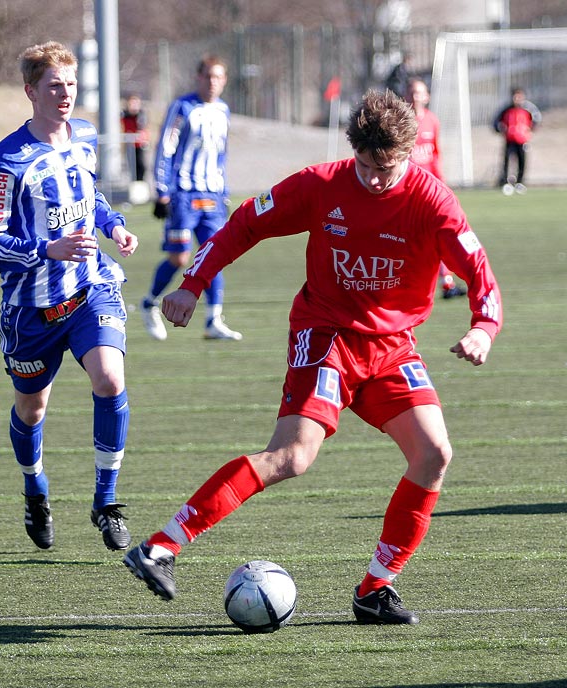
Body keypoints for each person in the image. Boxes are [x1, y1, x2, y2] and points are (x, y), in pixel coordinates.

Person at [123, 89, 503, 625]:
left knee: (434, 454)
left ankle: (375, 589)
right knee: (292, 458)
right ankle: (161, 546)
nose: (375, 178)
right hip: (325, 337)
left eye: (387, 167)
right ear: (355, 152)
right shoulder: (322, 185)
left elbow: (478, 269)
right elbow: (245, 222)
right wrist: (193, 283)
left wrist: (484, 328)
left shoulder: (431, 200)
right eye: (367, 165)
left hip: (392, 348)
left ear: (409, 154)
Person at [0, 41, 139, 553]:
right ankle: (35, 489)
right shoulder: (6, 162)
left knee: (110, 379)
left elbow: (91, 195)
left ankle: (106, 503)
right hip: (31, 311)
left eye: (69, 84)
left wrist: (114, 227)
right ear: (31, 91)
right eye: (53, 85)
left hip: (91, 289)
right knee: (31, 409)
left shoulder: (84, 136)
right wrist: (48, 248)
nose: (64, 93)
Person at [139, 54, 242, 341]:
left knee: (215, 254)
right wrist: (162, 191)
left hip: (212, 195)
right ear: (198, 78)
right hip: (183, 193)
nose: (212, 82)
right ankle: (149, 303)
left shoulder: (223, 110)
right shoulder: (182, 108)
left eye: (218, 77)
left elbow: (222, 155)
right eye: (208, 76)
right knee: (180, 257)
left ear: (224, 81)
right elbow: (165, 149)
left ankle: (213, 320)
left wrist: (224, 191)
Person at [406, 77, 465, 300]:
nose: (415, 97)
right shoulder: (401, 122)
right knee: (410, 238)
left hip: (430, 189)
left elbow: (435, 154)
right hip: (408, 190)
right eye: (412, 92)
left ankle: (446, 282)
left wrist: (441, 184)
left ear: (427, 96)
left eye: (419, 92)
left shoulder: (432, 120)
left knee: (438, 234)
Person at [493, 87, 541, 195]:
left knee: (522, 161)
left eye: (519, 96)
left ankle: (520, 182)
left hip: (522, 140)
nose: (517, 98)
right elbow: (495, 122)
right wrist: (500, 128)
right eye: (515, 96)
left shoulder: (527, 109)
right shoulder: (506, 110)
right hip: (509, 140)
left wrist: (530, 130)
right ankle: (506, 182)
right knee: (507, 161)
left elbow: (537, 120)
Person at [121, 94, 149, 182]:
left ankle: (140, 181)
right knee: (131, 165)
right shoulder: (124, 115)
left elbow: (141, 126)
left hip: (140, 144)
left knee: (141, 165)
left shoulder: (141, 115)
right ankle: (134, 182)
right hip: (130, 144)